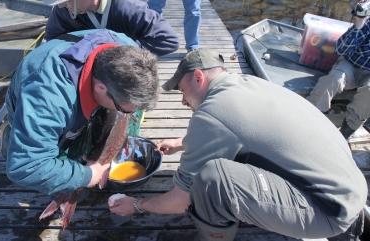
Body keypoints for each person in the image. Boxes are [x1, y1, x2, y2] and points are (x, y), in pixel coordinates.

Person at [109, 49, 367, 241]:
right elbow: (237, 128)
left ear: (198, 77)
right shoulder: (248, 84)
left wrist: (137, 205)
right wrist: (181, 143)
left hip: (328, 210)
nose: (183, 101)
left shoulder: (212, 114)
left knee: (213, 182)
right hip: (348, 184)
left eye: (181, 89)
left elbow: (179, 201)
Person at [1, 29, 159, 196]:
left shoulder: (128, 50)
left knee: (115, 118)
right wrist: (89, 175)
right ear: (101, 87)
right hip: (34, 103)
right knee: (56, 162)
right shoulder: (48, 96)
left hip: (84, 94)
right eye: (123, 108)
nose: (129, 114)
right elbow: (25, 166)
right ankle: (10, 136)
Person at [306, 14, 370, 139]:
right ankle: (311, 117)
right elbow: (341, 50)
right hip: (351, 65)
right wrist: (358, 26)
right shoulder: (367, 22)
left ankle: (344, 134)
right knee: (334, 78)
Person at [43, 0, 179, 56]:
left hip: (126, 69)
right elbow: (52, 40)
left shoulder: (128, 8)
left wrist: (125, 48)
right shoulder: (63, 10)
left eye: (69, 0)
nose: (66, 5)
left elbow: (169, 40)